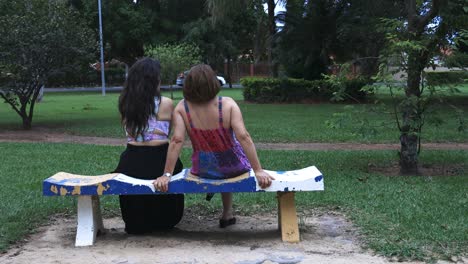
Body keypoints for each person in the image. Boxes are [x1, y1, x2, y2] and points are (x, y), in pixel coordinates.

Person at [154, 64, 274, 228]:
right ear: (213, 82)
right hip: (234, 166)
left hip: (204, 169)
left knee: (219, 164)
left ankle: (227, 213)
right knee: (227, 161)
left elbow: (176, 140)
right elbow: (244, 137)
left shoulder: (182, 107)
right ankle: (227, 213)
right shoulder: (228, 104)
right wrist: (258, 170)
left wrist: (166, 174)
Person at [114, 57, 184, 234]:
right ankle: (162, 217)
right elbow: (176, 137)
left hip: (132, 160)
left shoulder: (124, 102)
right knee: (175, 170)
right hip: (160, 159)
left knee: (131, 174)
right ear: (154, 80)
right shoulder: (166, 103)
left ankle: (139, 218)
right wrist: (166, 173)